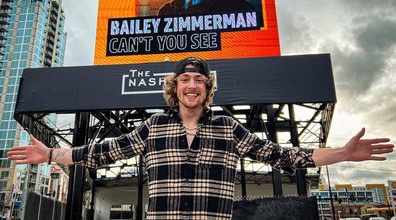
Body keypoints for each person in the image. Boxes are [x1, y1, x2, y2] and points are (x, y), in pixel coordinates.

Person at [8, 57, 394, 220]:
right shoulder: (155, 126)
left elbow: (287, 156)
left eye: (199, 80)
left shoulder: (228, 127)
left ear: (207, 89)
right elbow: (101, 152)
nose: (191, 85)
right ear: (173, 88)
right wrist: (49, 154)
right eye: (184, 80)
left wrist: (342, 153)